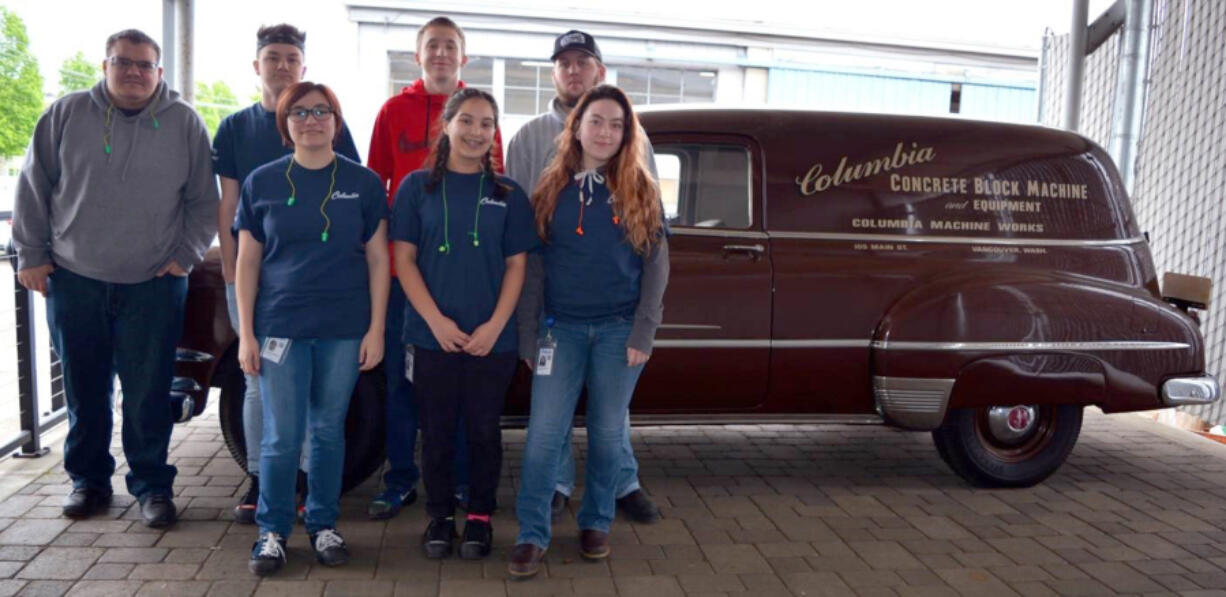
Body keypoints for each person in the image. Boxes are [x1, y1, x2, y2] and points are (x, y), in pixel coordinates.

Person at [12, 29, 217, 528]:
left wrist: (185, 255)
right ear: (105, 66)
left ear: (159, 73)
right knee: (84, 389)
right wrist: (30, 254)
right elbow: (33, 185)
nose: (134, 73)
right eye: (123, 63)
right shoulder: (65, 114)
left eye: (145, 65)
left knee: (148, 393)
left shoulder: (184, 122)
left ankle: (152, 486)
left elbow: (203, 200)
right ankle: (89, 482)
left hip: (153, 283)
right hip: (74, 277)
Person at [509, 84, 669, 577]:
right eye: (596, 121)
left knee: (605, 435)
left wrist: (644, 331)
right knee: (543, 436)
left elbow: (657, 265)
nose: (605, 132)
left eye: (616, 125)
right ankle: (531, 534)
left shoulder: (641, 188)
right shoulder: (550, 189)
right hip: (561, 332)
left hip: (619, 332)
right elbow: (534, 270)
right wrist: (528, 335)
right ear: (576, 127)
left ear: (627, 135)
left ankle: (597, 521)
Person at [234, 82, 389, 576]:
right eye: (299, 112)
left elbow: (380, 260)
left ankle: (323, 523)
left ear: (336, 123)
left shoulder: (363, 184)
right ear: (286, 126)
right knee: (281, 435)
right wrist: (246, 334)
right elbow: (247, 263)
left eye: (322, 111)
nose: (312, 119)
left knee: (327, 431)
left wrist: (377, 329)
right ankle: (272, 532)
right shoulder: (261, 182)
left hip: (344, 327)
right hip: (280, 326)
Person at [212, 23, 361, 525]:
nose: (282, 65)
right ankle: (262, 480)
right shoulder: (235, 127)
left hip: (324, 296)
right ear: (258, 65)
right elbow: (229, 203)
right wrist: (233, 273)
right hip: (257, 286)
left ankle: (303, 486)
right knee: (256, 383)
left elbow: (356, 212)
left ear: (302, 65)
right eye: (272, 57)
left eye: (291, 58)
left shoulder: (331, 127)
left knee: (322, 414)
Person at [367, 15, 504, 520]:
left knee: (466, 384)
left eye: (450, 46)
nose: (441, 54)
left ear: (462, 56)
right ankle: (400, 478)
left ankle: (464, 485)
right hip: (407, 280)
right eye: (433, 46)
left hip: (469, 280)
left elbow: (497, 188)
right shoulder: (391, 112)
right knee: (404, 386)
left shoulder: (481, 113)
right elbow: (373, 189)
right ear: (417, 55)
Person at [391, 88, 537, 560]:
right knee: (434, 431)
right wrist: (434, 322)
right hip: (432, 336)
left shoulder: (509, 194)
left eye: (487, 124)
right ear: (448, 125)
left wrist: (497, 326)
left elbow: (518, 266)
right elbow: (404, 260)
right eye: (468, 121)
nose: (477, 132)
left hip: (490, 341)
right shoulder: (416, 187)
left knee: (482, 432)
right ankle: (438, 516)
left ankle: (478, 518)